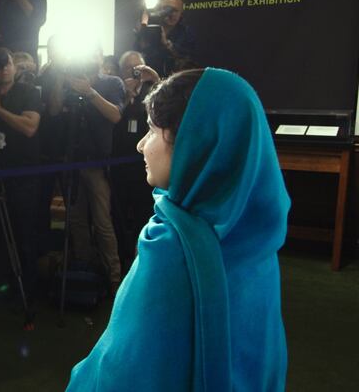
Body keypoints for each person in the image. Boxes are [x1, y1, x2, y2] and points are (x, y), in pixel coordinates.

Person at [66, 68, 290, 391]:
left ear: (193, 141)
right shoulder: (258, 238)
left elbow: (117, 371)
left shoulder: (172, 249)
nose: (141, 145)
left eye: (152, 130)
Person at [47, 46, 125, 294]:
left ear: (100, 58)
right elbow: (54, 110)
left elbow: (115, 115)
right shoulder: (68, 80)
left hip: (97, 163)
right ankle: (84, 267)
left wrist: (89, 92)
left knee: (102, 221)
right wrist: (61, 78)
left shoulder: (111, 82)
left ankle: (114, 277)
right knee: (76, 219)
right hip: (71, 161)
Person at [0, 47, 42, 301]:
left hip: (24, 174)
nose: (4, 69)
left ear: (14, 66)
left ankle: (27, 288)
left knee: (24, 232)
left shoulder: (29, 92)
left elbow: (30, 128)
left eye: (8, 64)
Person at [109, 51, 160, 269]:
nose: (134, 72)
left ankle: (143, 261)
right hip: (119, 165)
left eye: (138, 68)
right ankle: (122, 260)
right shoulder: (115, 92)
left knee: (143, 213)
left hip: (143, 167)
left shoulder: (152, 91)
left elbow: (166, 111)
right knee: (118, 215)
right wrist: (126, 98)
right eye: (129, 69)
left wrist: (154, 78)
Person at [137, 0, 197, 77]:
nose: (171, 14)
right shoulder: (150, 29)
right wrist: (143, 28)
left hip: (175, 77)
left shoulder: (186, 33)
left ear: (181, 13)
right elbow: (139, 52)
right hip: (149, 75)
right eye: (166, 9)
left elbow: (188, 60)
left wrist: (167, 44)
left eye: (175, 10)